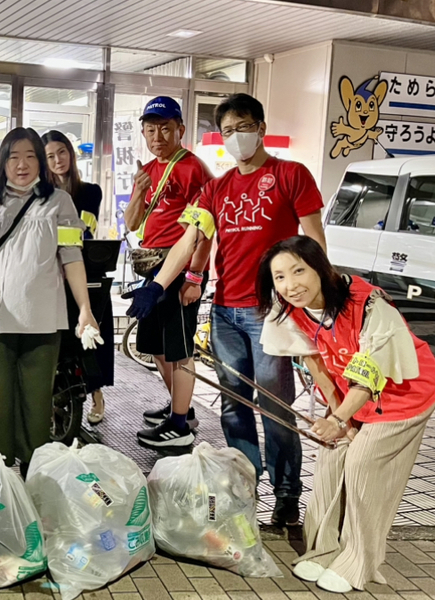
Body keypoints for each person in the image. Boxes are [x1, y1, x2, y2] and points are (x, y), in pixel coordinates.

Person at [126, 93, 327, 525]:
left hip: (270, 312)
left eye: (245, 127)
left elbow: (315, 243)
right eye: (229, 131)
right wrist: (158, 285)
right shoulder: (216, 188)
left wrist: (316, 299)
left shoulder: (292, 175)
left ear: (261, 127)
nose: (238, 138)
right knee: (234, 406)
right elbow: (188, 239)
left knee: (275, 407)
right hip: (225, 312)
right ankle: (243, 486)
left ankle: (288, 493)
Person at [256, 236, 435, 593]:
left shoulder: (369, 304)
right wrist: (340, 419)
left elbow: (371, 376)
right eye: (279, 277)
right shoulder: (291, 309)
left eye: (299, 271)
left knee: (363, 467)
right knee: (331, 458)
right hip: (352, 396)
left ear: (320, 269)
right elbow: (318, 367)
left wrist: (341, 420)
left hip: (403, 394)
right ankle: (323, 550)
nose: (290, 285)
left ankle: (360, 562)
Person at [0, 127, 99, 476]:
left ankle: (33, 469)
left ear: (40, 162)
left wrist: (85, 309)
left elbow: (72, 257)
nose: (22, 164)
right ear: (2, 162)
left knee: (37, 397)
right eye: (14, 156)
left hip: (43, 315)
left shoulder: (59, 202)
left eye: (30, 156)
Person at [119, 98, 214, 447]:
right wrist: (140, 190)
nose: (157, 136)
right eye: (150, 129)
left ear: (180, 130)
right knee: (155, 346)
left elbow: (207, 226)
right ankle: (181, 408)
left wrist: (195, 277)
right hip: (152, 268)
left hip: (179, 267)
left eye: (165, 128)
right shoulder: (149, 170)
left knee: (179, 349)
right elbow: (132, 222)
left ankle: (180, 425)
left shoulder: (193, 168)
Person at [42, 130, 111, 425]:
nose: (57, 160)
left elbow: (82, 230)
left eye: (62, 152)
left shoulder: (91, 191)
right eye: (50, 156)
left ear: (71, 154)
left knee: (90, 335)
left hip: (84, 270)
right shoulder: (39, 194)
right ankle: (57, 394)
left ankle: (96, 392)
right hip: (48, 275)